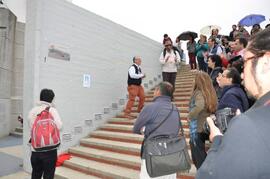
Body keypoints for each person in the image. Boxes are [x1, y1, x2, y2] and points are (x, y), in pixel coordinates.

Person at [196, 28, 270, 179]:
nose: (242, 73)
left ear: (265, 63)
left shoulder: (247, 125)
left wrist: (217, 141)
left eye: (245, 62)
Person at [133, 81, 180, 179]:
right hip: (171, 154)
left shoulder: (150, 107)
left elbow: (136, 128)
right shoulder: (175, 109)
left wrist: (145, 129)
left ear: (158, 91)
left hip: (153, 154)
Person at [28, 89, 63, 179]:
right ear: (51, 99)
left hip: (35, 150)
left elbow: (31, 127)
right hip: (50, 151)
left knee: (36, 173)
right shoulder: (52, 110)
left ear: (41, 97)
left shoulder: (33, 111)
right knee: (49, 175)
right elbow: (59, 126)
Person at [188, 71, 217, 169]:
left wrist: (190, 115)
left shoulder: (198, 92)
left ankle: (203, 174)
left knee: (198, 156)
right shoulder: (210, 92)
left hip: (197, 128)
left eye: (194, 79)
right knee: (200, 153)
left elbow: (199, 105)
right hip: (205, 127)